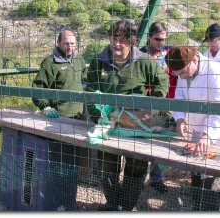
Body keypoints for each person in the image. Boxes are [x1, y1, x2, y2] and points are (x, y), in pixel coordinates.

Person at [85, 19, 169, 211]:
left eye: (123, 40)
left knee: (137, 165)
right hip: (108, 122)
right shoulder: (99, 61)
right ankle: (113, 203)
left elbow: (162, 80)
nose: (117, 43)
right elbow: (89, 91)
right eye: (114, 38)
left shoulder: (144, 60)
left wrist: (151, 107)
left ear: (132, 41)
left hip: (136, 124)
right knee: (107, 165)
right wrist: (98, 117)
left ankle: (127, 205)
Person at [165, 46, 220, 211]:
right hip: (198, 132)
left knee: (214, 182)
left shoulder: (216, 73)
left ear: (194, 60)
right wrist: (179, 119)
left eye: (184, 72)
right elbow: (180, 97)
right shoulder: (183, 71)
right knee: (197, 174)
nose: (182, 77)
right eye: (178, 74)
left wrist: (208, 135)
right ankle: (197, 209)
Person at [32, 29, 88, 210]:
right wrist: (45, 107)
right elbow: (37, 88)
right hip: (58, 121)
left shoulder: (79, 60)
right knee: (57, 161)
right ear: (58, 43)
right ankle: (52, 200)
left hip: (79, 119)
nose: (70, 46)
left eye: (73, 43)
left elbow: (85, 82)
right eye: (66, 43)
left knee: (72, 161)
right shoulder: (50, 63)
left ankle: (67, 199)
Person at [140, 22, 178, 193]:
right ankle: (137, 177)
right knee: (141, 140)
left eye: (164, 39)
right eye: (157, 39)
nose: (161, 42)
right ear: (149, 37)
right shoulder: (140, 54)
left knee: (164, 140)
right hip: (146, 103)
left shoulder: (169, 53)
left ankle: (156, 178)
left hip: (167, 102)